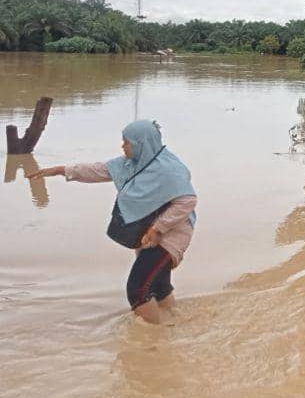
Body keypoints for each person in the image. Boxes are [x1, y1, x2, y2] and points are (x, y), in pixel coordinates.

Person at [27, 119, 197, 324]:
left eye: (127, 142)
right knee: (158, 286)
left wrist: (158, 228)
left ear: (141, 144)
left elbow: (187, 201)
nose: (123, 146)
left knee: (137, 290)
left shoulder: (170, 170)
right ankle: (173, 325)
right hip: (147, 232)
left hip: (171, 235)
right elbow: (97, 170)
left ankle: (155, 338)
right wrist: (58, 170)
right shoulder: (132, 164)